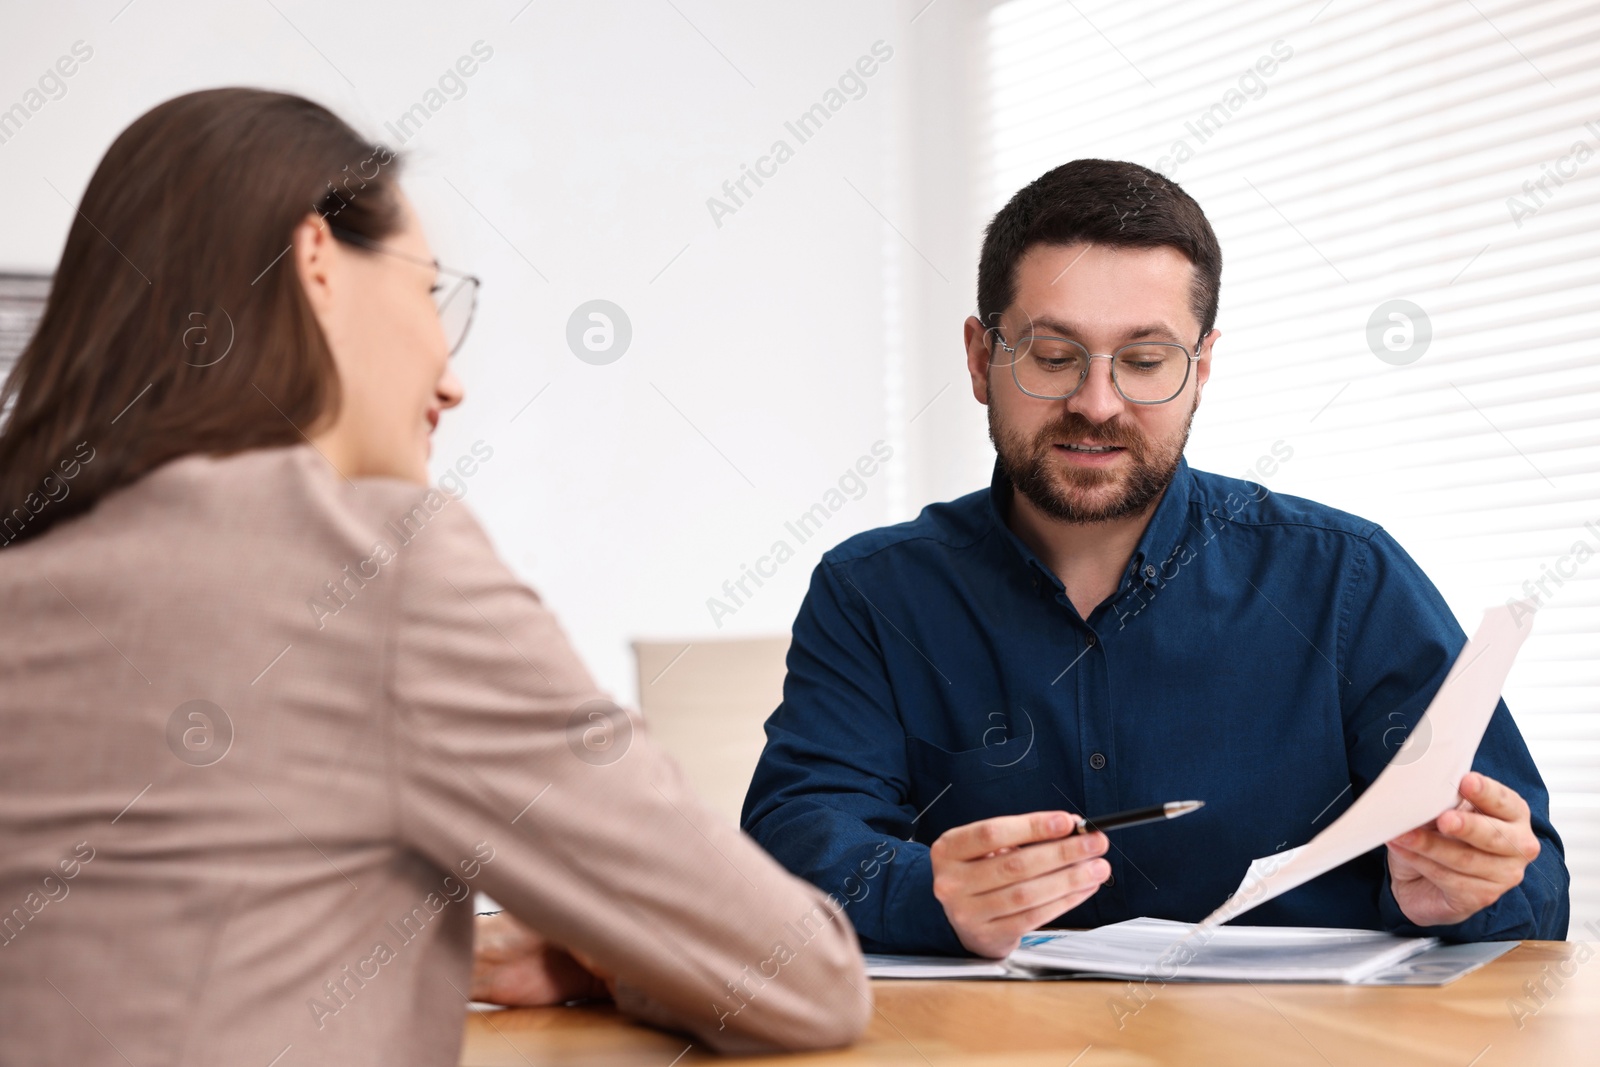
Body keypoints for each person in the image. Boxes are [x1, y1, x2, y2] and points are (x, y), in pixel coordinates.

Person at [0, 89, 869, 1065]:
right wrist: (626, 957)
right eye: (428, 292)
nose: (452, 377)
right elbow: (802, 975)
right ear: (317, 260)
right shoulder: (372, 563)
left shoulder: (28, 565)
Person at [742, 158, 1569, 958]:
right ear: (978, 358)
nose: (1096, 404)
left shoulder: (1347, 581)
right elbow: (790, 841)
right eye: (1053, 355)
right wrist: (928, 891)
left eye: (1144, 361)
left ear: (1201, 367)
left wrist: (1467, 886)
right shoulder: (874, 595)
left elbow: (1540, 886)